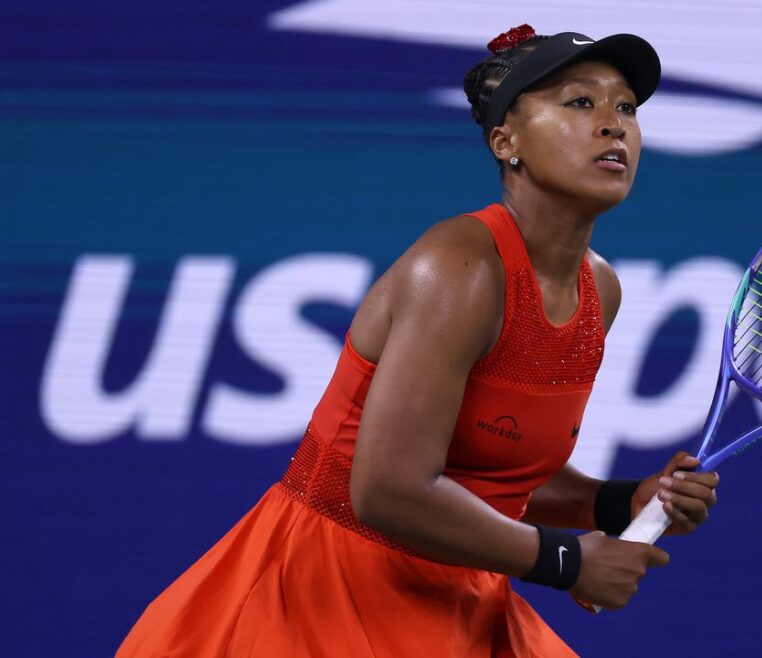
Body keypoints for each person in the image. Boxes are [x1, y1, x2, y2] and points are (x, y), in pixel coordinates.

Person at [117, 24, 719, 657]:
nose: (613, 125)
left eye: (626, 108)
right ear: (506, 142)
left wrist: (619, 502)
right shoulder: (460, 267)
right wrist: (566, 561)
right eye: (580, 102)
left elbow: (494, 473)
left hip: (457, 597)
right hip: (324, 588)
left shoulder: (600, 290)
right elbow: (388, 490)